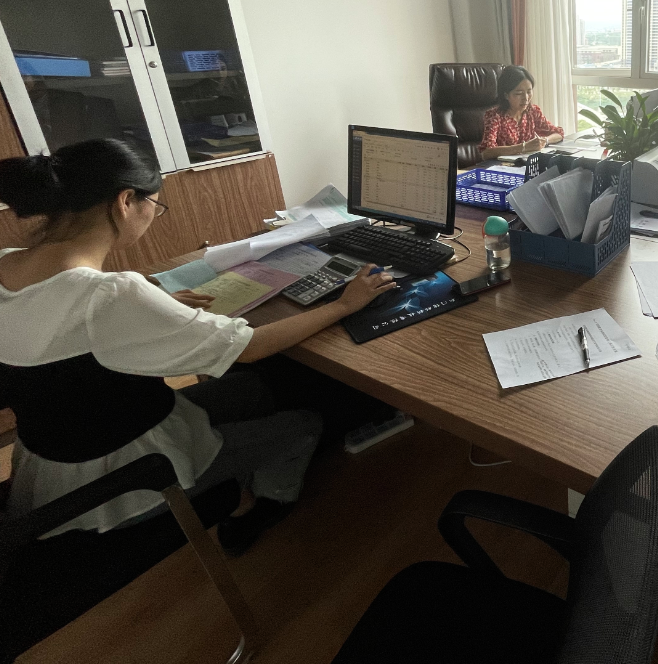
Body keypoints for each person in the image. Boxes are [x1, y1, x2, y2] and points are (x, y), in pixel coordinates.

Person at [0, 139, 397, 556]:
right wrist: (345, 304)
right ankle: (256, 508)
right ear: (125, 201)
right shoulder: (112, 295)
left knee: (253, 389)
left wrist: (152, 304)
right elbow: (250, 347)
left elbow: (62, 325)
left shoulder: (7, 261)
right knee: (305, 424)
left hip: (52, 461)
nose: (153, 214)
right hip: (120, 481)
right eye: (154, 204)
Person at [478, 66, 564, 161]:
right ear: (506, 95)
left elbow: (558, 133)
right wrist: (523, 147)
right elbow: (486, 152)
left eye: (529, 92)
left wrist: (544, 141)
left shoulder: (532, 111)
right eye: (519, 93)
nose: (526, 98)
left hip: (527, 165)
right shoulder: (494, 116)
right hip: (501, 166)